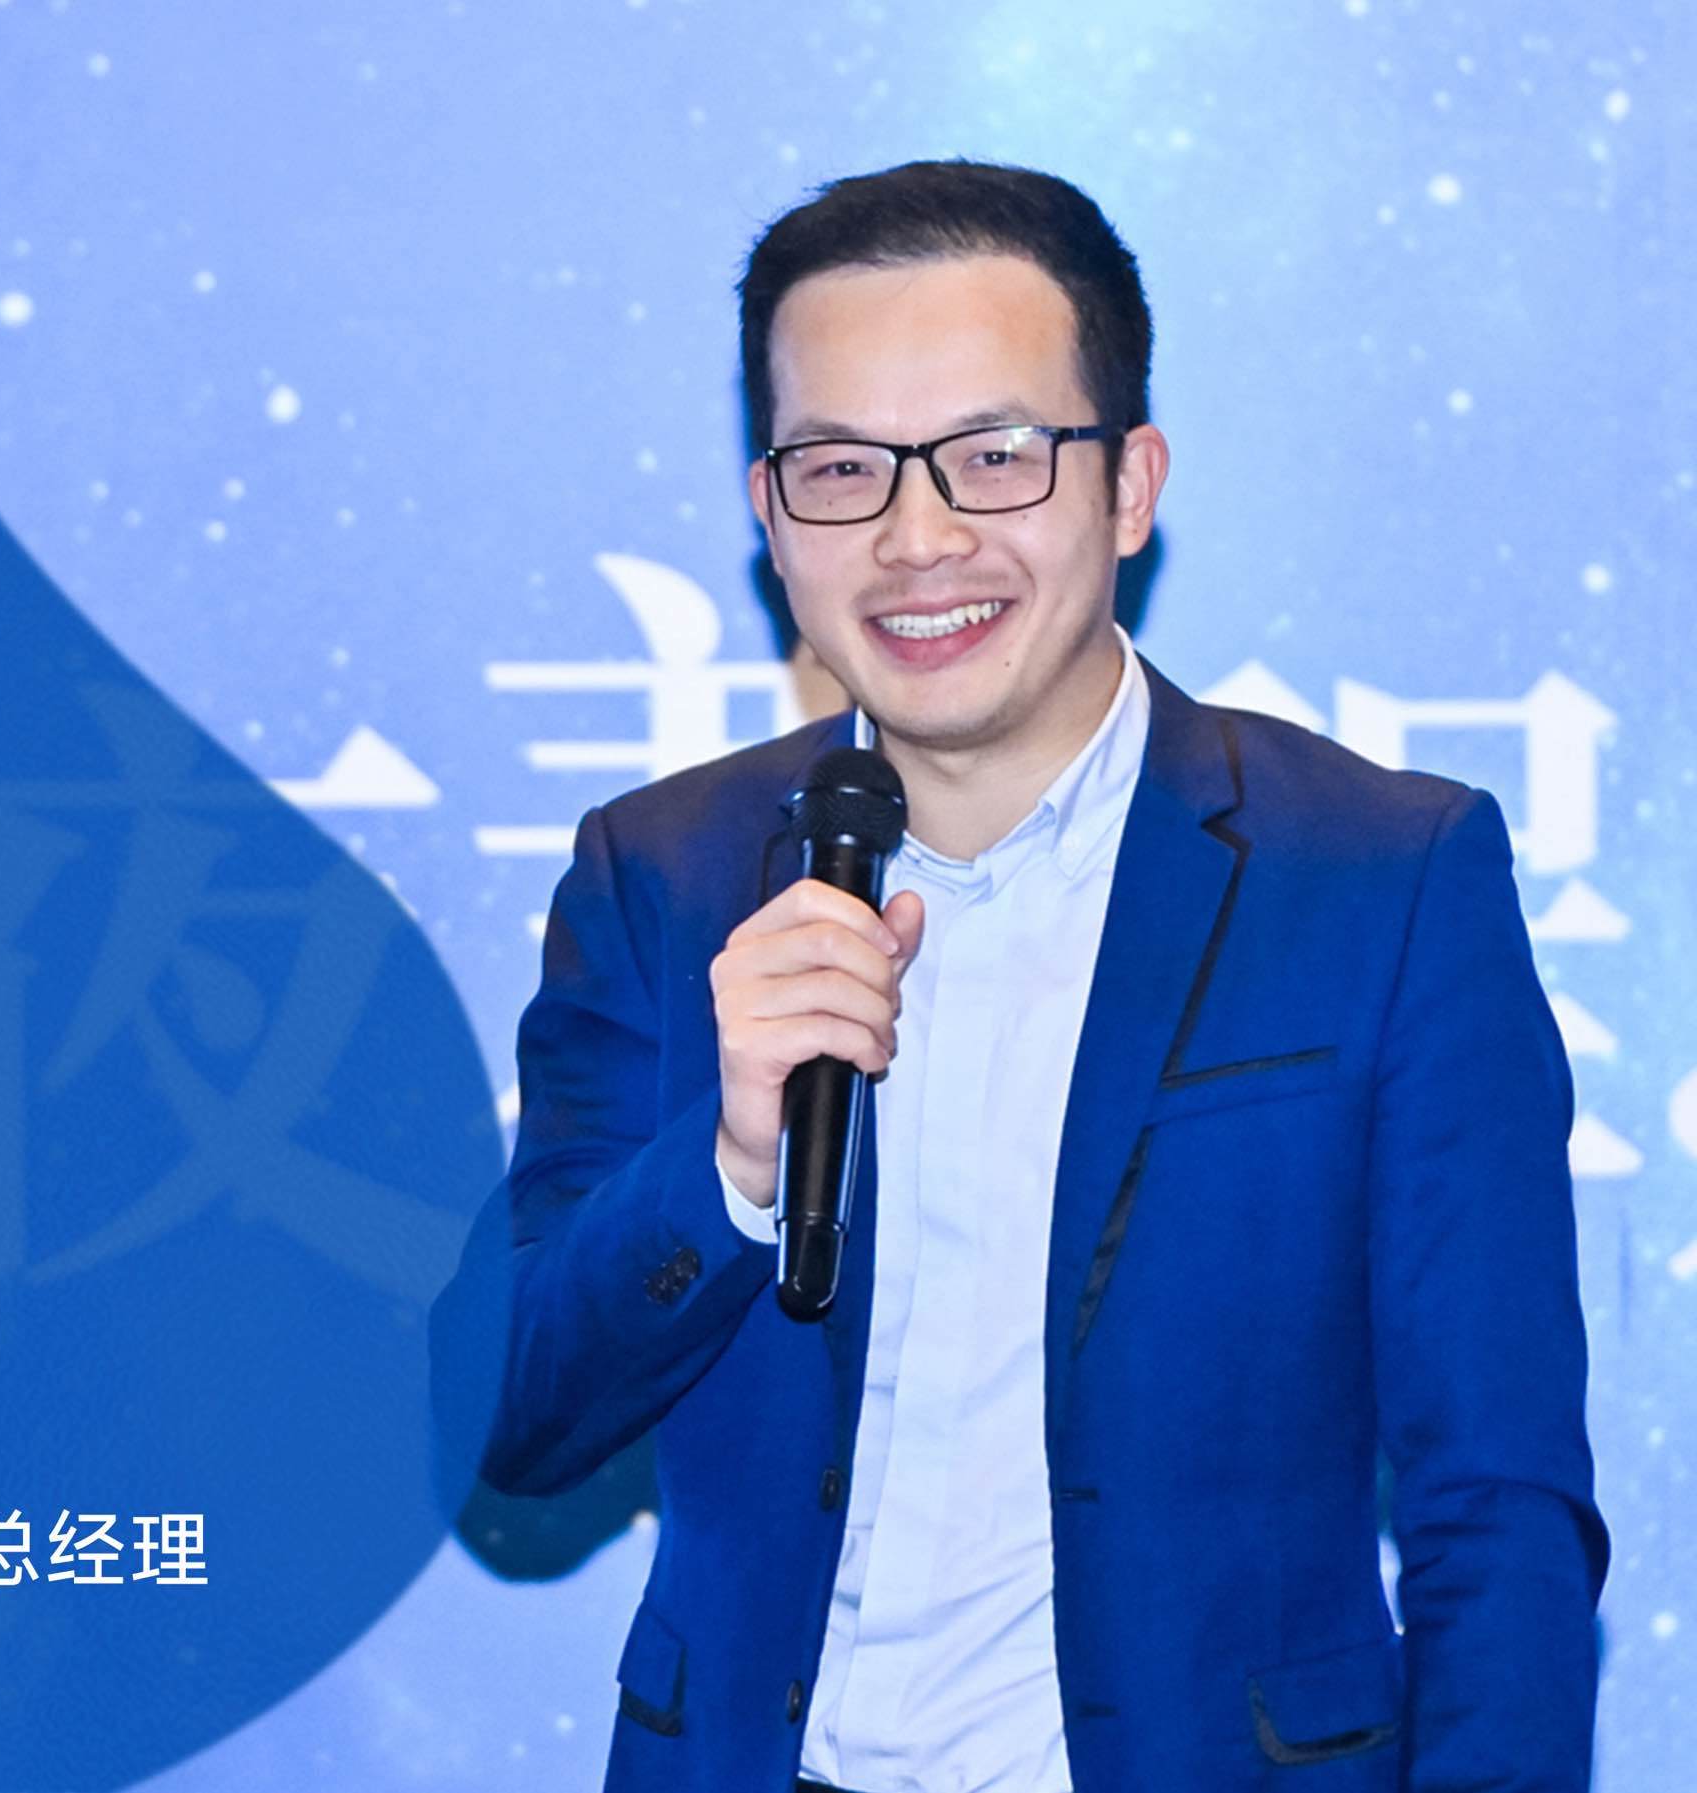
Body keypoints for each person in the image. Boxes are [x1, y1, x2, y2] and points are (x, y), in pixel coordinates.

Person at [430, 160, 1606, 1792]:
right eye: (842, 468)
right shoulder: (663, 872)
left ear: (1129, 485)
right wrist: (731, 1164)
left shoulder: (1380, 879)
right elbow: (505, 1410)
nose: (918, 537)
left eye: (994, 455)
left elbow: (1500, 1504)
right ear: (770, 514)